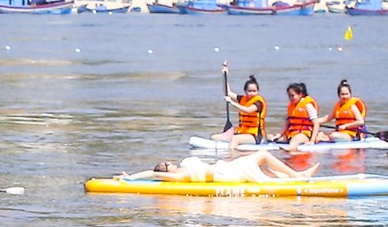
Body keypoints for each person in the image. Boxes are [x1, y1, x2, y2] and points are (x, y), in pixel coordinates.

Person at [123, 149, 315, 184]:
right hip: (226, 174)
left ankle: (294, 176)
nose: (170, 162)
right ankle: (296, 176)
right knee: (263, 156)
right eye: (167, 165)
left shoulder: (183, 167)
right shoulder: (178, 177)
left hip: (226, 168)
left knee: (263, 168)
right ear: (166, 172)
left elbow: (153, 174)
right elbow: (152, 174)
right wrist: (131, 178)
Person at [212, 66, 267, 145]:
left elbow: (247, 110)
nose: (252, 93)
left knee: (234, 139)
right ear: (245, 91)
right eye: (249, 91)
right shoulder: (242, 99)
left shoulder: (258, 103)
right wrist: (224, 75)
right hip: (242, 132)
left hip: (255, 136)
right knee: (214, 137)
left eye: (254, 91)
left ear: (258, 91)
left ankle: (231, 155)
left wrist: (232, 102)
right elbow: (227, 92)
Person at [278, 82, 320, 147]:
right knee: (272, 138)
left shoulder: (308, 105)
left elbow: (316, 124)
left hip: (304, 134)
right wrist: (279, 135)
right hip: (292, 133)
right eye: (289, 96)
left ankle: (291, 149)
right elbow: (286, 123)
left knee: (295, 140)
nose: (290, 98)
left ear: (300, 94)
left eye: (293, 95)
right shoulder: (291, 106)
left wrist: (312, 140)